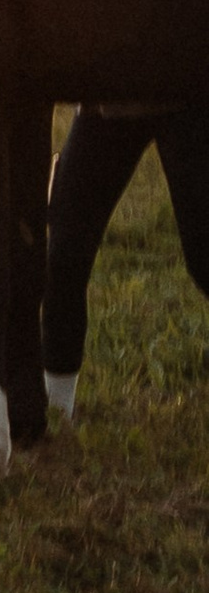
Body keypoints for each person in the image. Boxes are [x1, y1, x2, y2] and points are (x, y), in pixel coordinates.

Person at [42, 104, 209, 418]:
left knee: (204, 257)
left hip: (187, 92)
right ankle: (56, 408)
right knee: (64, 253)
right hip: (109, 99)